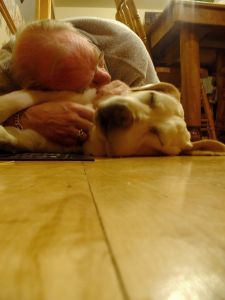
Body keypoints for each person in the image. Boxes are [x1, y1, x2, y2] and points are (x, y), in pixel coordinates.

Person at [0, 17, 159, 147]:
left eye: (99, 60)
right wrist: (24, 120)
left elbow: (165, 120)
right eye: (86, 85)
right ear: (41, 88)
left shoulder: (128, 54)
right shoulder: (5, 74)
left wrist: (132, 99)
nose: (106, 77)